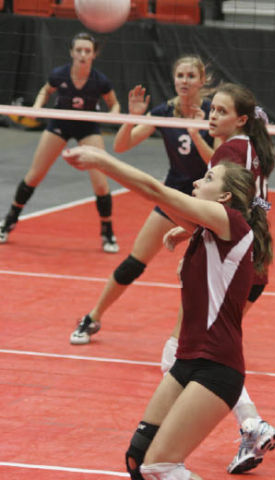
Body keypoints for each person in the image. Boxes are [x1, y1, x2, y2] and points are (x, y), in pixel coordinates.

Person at [62, 142, 273, 480]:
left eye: (207, 178)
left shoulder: (229, 222)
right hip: (187, 362)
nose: (196, 183)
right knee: (138, 459)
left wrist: (101, 161)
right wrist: (187, 231)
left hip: (217, 367)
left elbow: (154, 189)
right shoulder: (211, 231)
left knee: (160, 465)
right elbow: (160, 202)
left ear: (224, 198)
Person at [161, 82, 275, 474]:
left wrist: (193, 235)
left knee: (185, 352)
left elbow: (213, 208)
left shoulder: (230, 152)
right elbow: (242, 209)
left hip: (231, 264)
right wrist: (191, 233)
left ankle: (249, 424)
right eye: (211, 109)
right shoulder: (251, 148)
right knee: (210, 349)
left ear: (241, 119)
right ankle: (250, 424)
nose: (212, 115)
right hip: (250, 257)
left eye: (221, 111)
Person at [68, 55, 215, 344]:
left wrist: (197, 135)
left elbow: (218, 162)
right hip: (171, 197)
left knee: (199, 273)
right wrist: (132, 117)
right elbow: (121, 146)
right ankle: (93, 317)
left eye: (190, 76)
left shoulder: (213, 112)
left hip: (204, 204)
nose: (184, 81)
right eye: (180, 75)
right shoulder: (164, 111)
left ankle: (194, 336)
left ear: (201, 80)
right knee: (135, 261)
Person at [0, 32, 120, 253]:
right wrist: (37, 107)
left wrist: (112, 116)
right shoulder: (60, 74)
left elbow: (114, 104)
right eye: (79, 50)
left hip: (88, 127)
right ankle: (9, 221)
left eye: (87, 51)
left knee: (101, 183)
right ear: (72, 53)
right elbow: (46, 90)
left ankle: (107, 232)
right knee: (35, 174)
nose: (83, 55)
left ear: (94, 55)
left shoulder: (100, 80)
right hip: (59, 125)